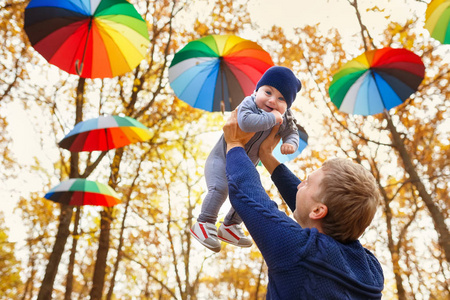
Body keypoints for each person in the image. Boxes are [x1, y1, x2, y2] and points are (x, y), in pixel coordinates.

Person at [223, 110, 384, 299]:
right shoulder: (369, 269)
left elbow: (248, 196)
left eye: (306, 183)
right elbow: (312, 207)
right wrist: (266, 156)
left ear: (318, 211)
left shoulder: (299, 252)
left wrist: (234, 144)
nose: (300, 184)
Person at [190, 66, 302, 252]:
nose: (273, 100)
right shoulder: (248, 103)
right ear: (257, 90)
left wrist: (290, 142)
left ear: (288, 106)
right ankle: (204, 222)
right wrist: (273, 118)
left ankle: (230, 226)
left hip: (246, 165)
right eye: (268, 92)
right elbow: (246, 122)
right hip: (221, 159)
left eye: (282, 99)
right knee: (220, 188)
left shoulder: (286, 116)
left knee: (249, 192)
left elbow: (293, 132)